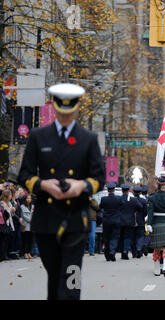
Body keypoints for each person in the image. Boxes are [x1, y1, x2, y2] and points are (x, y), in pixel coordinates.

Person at [18, 83, 105, 300]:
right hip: (46, 220)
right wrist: (43, 184)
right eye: (61, 113)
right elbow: (25, 175)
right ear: (55, 109)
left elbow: (99, 178)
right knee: (55, 277)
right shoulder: (39, 136)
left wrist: (81, 186)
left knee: (70, 278)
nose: (65, 117)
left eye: (70, 113)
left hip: (75, 220)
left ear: (76, 110)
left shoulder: (88, 139)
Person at [119, 184, 142, 260]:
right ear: (128, 191)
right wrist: (135, 210)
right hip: (130, 221)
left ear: (122, 191)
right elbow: (140, 207)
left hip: (120, 221)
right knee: (127, 237)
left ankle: (123, 252)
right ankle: (125, 251)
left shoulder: (118, 199)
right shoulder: (133, 200)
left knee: (121, 237)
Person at [100, 183, 122, 261]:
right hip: (116, 221)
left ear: (108, 190)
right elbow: (122, 206)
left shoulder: (104, 199)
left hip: (106, 221)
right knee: (115, 237)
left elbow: (101, 207)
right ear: (114, 189)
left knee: (106, 237)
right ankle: (112, 251)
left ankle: (107, 254)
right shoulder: (119, 198)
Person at [131, 186, 147, 259]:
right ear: (140, 193)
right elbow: (145, 212)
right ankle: (139, 249)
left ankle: (134, 253)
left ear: (133, 192)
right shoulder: (144, 201)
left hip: (131, 221)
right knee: (140, 236)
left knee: (132, 237)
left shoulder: (130, 200)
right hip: (140, 221)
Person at [0, 189, 15, 260]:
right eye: (10, 195)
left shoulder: (10, 203)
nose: (11, 196)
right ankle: (2, 255)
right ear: (7, 196)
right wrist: (10, 211)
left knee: (7, 240)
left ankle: (5, 254)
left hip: (9, 223)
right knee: (3, 240)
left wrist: (12, 212)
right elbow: (4, 214)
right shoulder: (2, 203)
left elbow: (11, 215)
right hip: (3, 223)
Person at [20, 193, 34, 259]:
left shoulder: (33, 206)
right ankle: (25, 253)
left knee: (30, 240)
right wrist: (31, 219)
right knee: (25, 240)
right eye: (27, 198)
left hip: (32, 225)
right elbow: (23, 215)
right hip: (25, 225)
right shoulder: (22, 206)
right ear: (25, 199)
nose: (29, 199)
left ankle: (29, 252)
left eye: (30, 198)